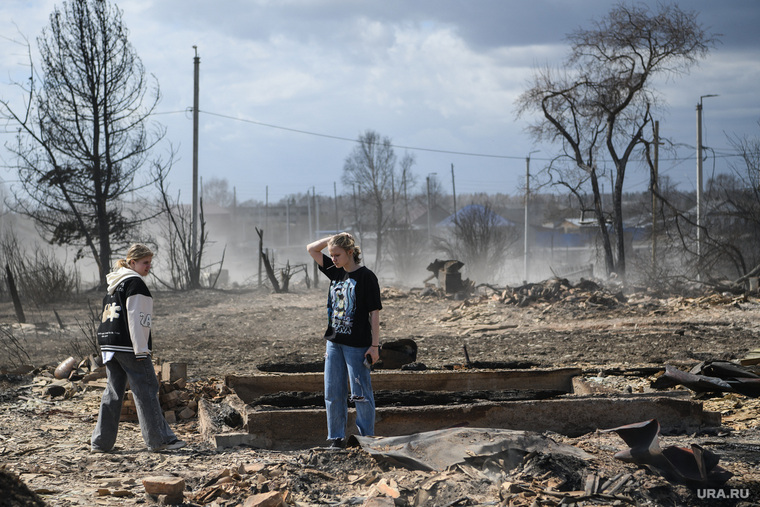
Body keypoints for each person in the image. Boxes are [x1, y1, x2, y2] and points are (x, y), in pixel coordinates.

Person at [91, 243, 186, 453]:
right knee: (146, 389)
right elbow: (137, 320)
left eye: (150, 263)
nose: (148, 267)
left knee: (113, 392)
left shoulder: (114, 284)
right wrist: (141, 350)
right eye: (145, 263)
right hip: (128, 346)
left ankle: (100, 443)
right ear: (132, 262)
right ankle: (159, 440)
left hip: (109, 345)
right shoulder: (135, 284)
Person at [307, 233, 382, 448]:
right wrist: (333, 237)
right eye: (331, 255)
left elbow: (374, 313)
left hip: (357, 345)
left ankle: (366, 439)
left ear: (350, 252)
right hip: (334, 343)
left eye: (337, 254)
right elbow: (311, 248)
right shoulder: (335, 272)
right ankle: (336, 439)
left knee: (361, 394)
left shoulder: (367, 277)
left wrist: (375, 346)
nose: (333, 259)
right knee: (332, 392)